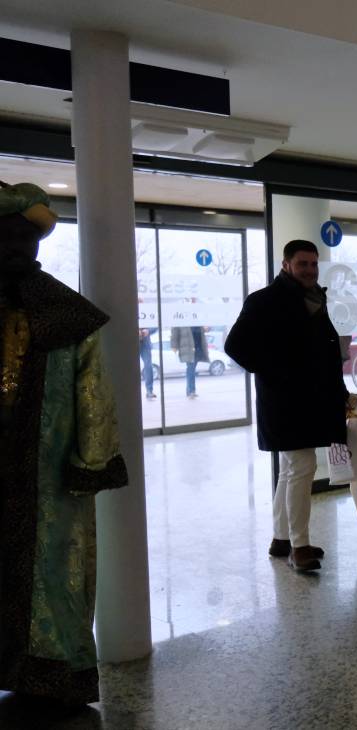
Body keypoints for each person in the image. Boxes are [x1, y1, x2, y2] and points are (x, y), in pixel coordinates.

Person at [0, 182, 128, 707]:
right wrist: (90, 460)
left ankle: (50, 675)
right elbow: (94, 397)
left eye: (18, 239)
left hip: (47, 479)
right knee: (47, 576)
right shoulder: (66, 313)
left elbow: (94, 399)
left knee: (48, 575)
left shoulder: (68, 316)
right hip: (47, 479)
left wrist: (90, 463)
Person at [225, 239, 355, 573]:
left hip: (311, 399)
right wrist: (277, 372)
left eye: (313, 264)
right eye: (302, 264)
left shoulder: (315, 299)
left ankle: (282, 539)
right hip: (284, 401)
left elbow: (323, 352)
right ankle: (300, 547)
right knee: (302, 466)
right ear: (286, 265)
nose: (310, 270)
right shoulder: (264, 301)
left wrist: (339, 391)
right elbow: (235, 346)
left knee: (290, 470)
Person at [170, 324, 209, 399]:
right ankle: (191, 391)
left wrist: (206, 328)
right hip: (188, 347)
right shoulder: (181, 318)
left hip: (198, 345)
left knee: (192, 368)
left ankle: (190, 390)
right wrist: (174, 345)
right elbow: (175, 331)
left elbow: (205, 327)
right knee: (191, 368)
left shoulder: (197, 317)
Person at [139, 326, 158, 398]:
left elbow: (155, 326)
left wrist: (148, 331)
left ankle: (149, 391)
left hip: (145, 343)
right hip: (132, 341)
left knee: (148, 366)